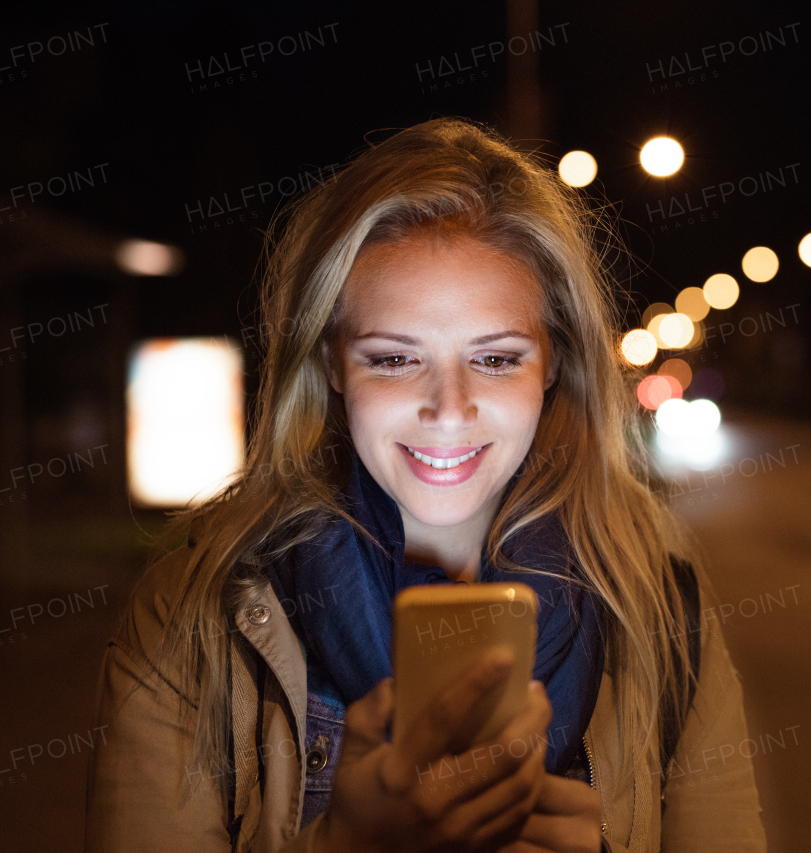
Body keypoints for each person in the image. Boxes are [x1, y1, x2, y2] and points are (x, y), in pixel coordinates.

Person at [85, 118, 767, 853]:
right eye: (394, 359)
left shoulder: (658, 594)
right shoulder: (190, 609)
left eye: (498, 359)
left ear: (556, 365)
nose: (449, 407)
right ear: (331, 364)